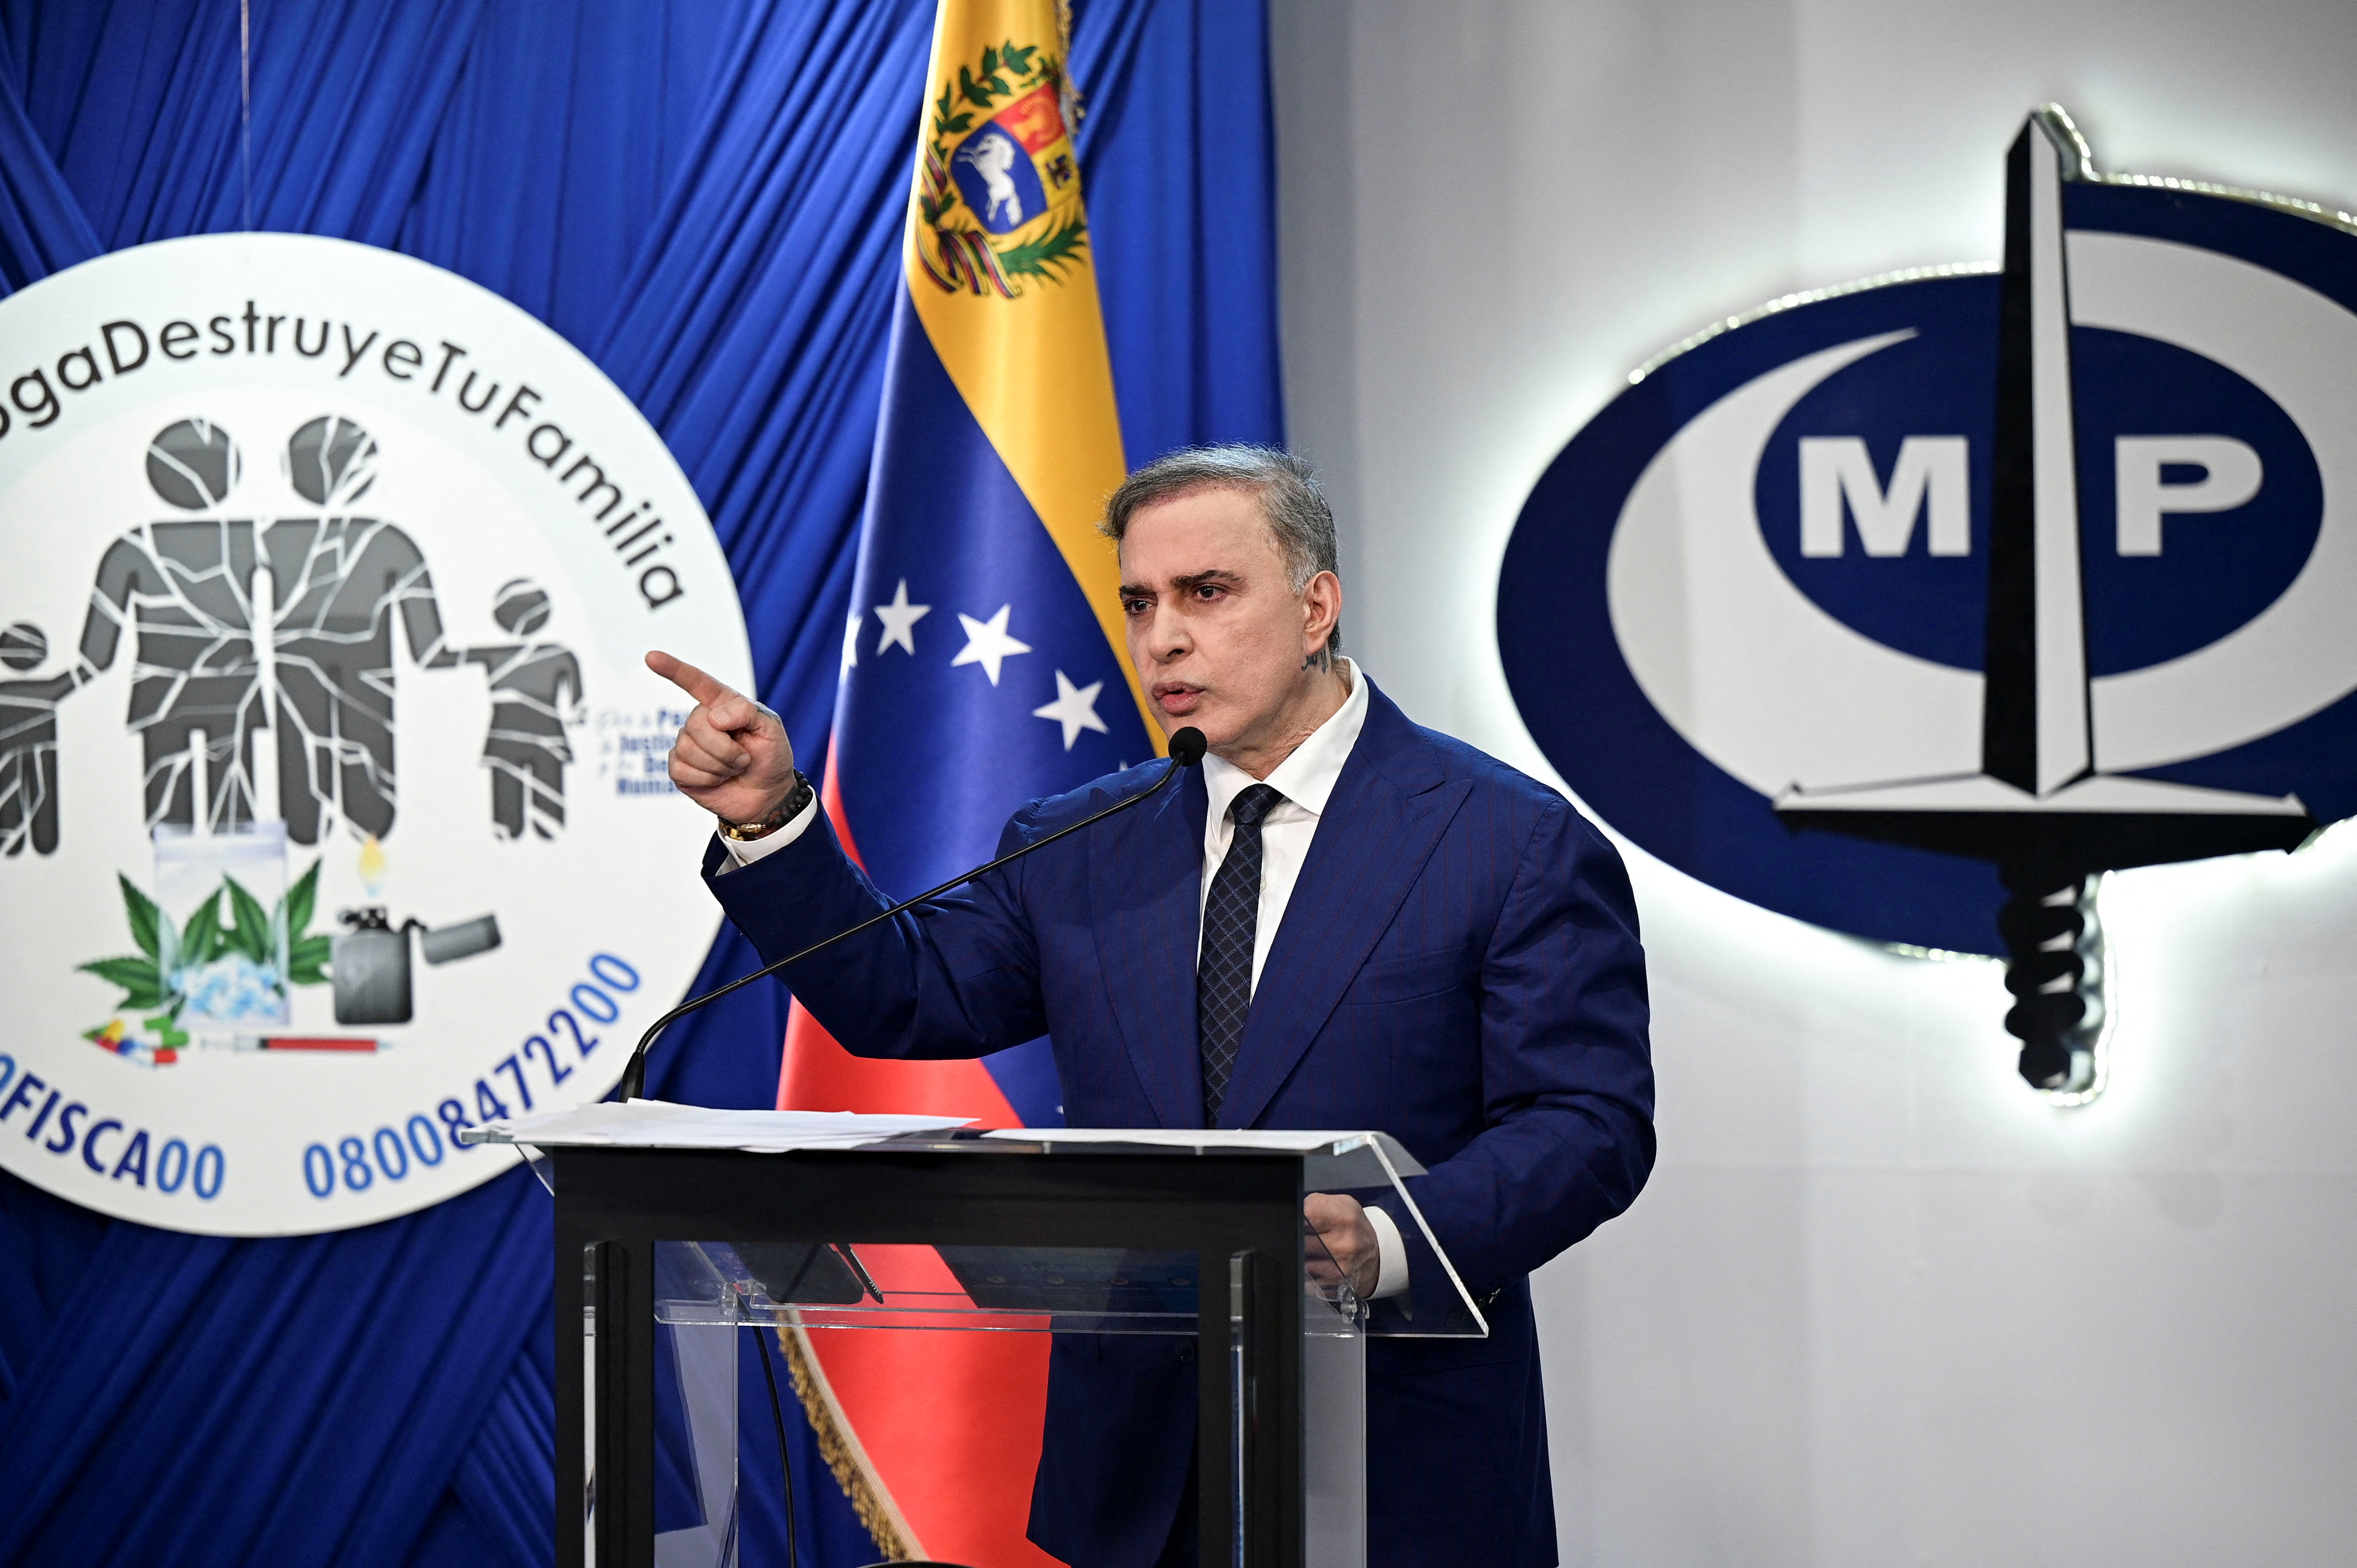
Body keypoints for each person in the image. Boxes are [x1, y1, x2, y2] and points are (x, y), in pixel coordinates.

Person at [649, 446, 1654, 1568]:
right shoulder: (1080, 839)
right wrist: (772, 817)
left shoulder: (1506, 840)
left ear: (1316, 604)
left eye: (1207, 594)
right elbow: (905, 999)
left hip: (1395, 1462)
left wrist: (1390, 1237)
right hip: (1136, 1479)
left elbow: (1588, 1123)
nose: (1163, 636)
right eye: (1140, 601)